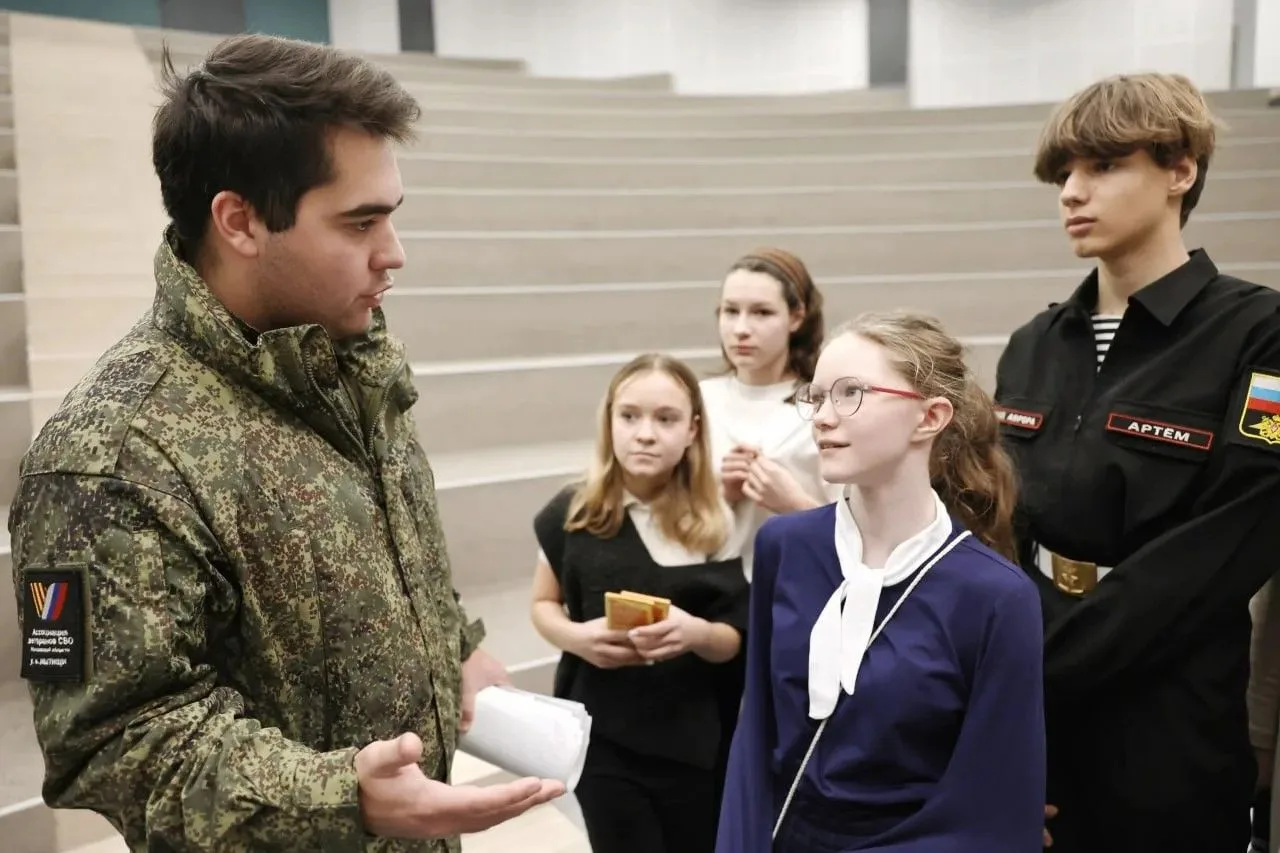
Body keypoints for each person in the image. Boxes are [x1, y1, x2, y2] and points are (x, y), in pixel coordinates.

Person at [7, 35, 562, 852]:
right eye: (360, 222)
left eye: (391, 215)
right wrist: (344, 796)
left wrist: (455, 645)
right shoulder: (107, 459)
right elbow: (113, 742)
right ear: (239, 221)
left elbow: (390, 545)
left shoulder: (342, 357)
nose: (394, 253)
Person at [995, 71, 1280, 852]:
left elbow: (1233, 535)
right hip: (1035, 709)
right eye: (1064, 172)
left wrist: (1048, 658)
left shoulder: (1260, 334)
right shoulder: (1032, 344)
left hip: (1169, 717)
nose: (1071, 192)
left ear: (1180, 170)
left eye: (1103, 166)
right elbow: (997, 519)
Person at [717, 312, 1046, 853]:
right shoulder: (785, 546)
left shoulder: (997, 597)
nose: (823, 418)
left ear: (929, 417)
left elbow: (992, 806)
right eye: (816, 397)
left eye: (851, 394)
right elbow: (754, 736)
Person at [530, 353, 749, 853]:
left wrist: (696, 633)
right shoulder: (573, 512)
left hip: (694, 740)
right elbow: (543, 603)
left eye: (666, 419)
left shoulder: (716, 521)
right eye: (629, 416)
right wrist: (577, 638)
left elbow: (734, 639)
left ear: (693, 430)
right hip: (604, 736)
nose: (645, 434)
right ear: (609, 421)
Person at [701, 248, 839, 582]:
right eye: (731, 311)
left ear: (796, 317)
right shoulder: (698, 399)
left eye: (761, 312)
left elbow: (863, 532)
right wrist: (723, 496)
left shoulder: (823, 407)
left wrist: (794, 505)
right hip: (710, 593)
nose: (741, 329)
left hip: (801, 591)